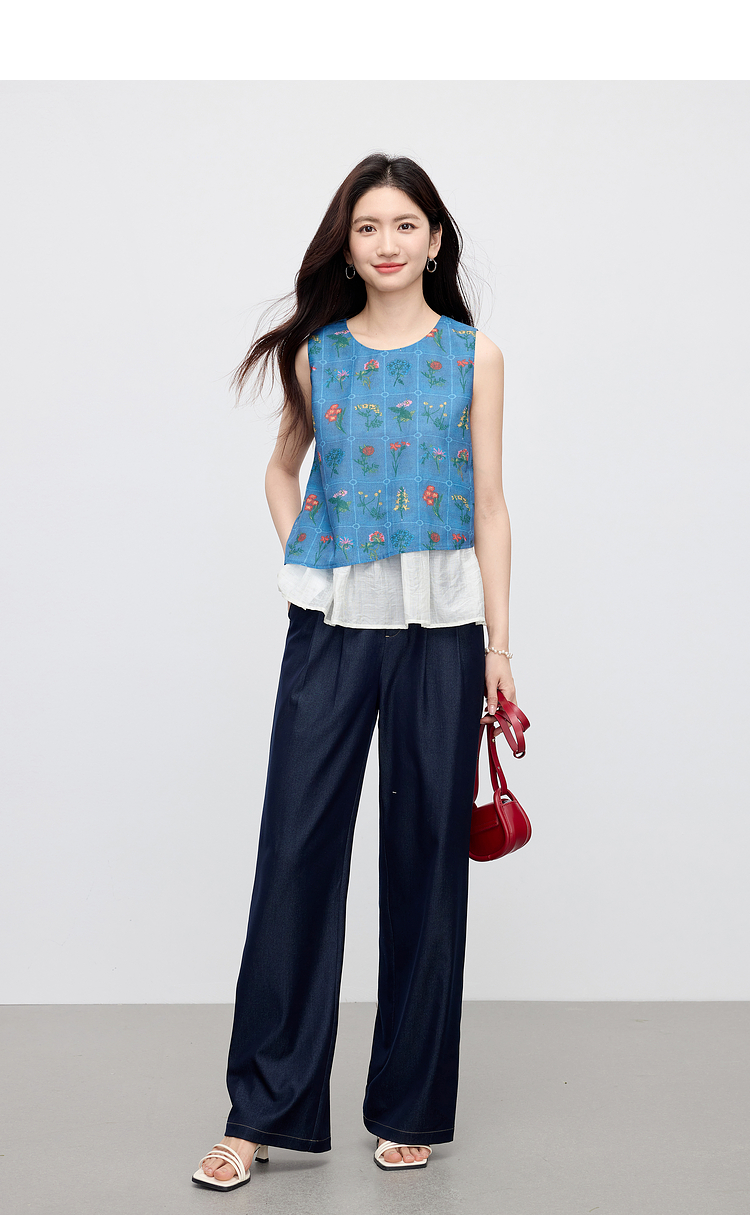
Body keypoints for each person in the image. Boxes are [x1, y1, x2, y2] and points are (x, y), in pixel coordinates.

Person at [192, 152, 515, 1191]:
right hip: (333, 627)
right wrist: (311, 562)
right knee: (295, 853)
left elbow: (492, 503)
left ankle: (409, 1106)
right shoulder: (316, 357)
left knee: (427, 863)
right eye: (368, 226)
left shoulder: (474, 356)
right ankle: (258, 1114)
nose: (386, 243)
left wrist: (500, 647)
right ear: (348, 243)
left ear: (434, 239)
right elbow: (281, 470)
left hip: (443, 629)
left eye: (405, 224)